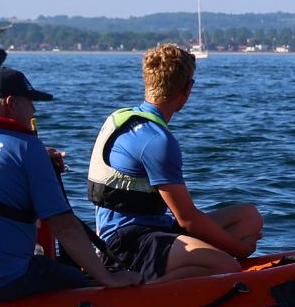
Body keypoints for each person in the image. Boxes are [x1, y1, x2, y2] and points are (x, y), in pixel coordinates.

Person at [0, 67, 138, 301]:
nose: (33, 109)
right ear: (11, 103)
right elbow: (64, 227)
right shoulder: (27, 147)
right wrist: (108, 278)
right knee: (77, 280)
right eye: (30, 101)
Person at [87, 43, 263, 282]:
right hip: (126, 242)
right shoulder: (156, 140)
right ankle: (139, 292)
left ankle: (192, 266)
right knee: (226, 266)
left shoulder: (122, 117)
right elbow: (187, 218)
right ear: (187, 90)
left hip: (153, 227)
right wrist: (241, 250)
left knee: (249, 216)